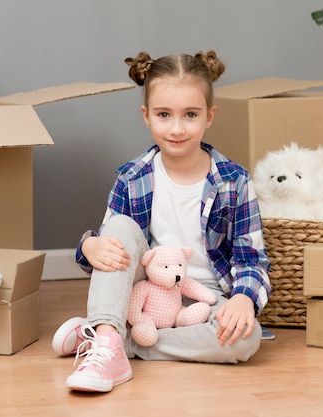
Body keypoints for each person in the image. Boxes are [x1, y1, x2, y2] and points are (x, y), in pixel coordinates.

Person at [51, 50, 271, 393]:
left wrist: (244, 298)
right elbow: (108, 254)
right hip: (146, 298)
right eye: (164, 114)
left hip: (206, 301)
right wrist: (89, 246)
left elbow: (251, 259)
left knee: (247, 339)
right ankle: (109, 338)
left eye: (191, 115)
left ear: (209, 116)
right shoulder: (132, 177)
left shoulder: (235, 181)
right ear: (146, 116)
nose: (177, 128)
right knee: (119, 227)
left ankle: (115, 342)